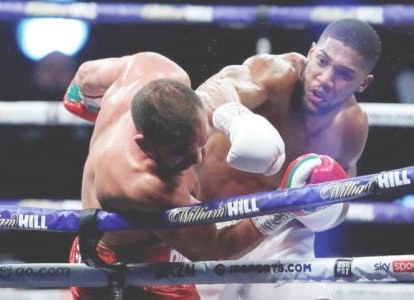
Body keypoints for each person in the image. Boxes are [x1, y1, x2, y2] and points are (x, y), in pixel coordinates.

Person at [63, 52, 325, 300]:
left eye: (200, 145)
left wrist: (85, 100)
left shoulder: (154, 67)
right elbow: (216, 249)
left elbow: (85, 75)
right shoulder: (146, 185)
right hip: (121, 268)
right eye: (181, 156)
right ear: (145, 145)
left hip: (158, 249)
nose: (197, 160)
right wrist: (284, 204)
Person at [195, 18, 381, 299]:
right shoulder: (276, 74)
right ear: (310, 52)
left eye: (344, 74)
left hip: (280, 235)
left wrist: (323, 210)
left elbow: (341, 202)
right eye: (322, 61)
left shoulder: (350, 126)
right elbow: (210, 92)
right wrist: (238, 120)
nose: (325, 79)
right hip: (212, 223)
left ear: (363, 83)